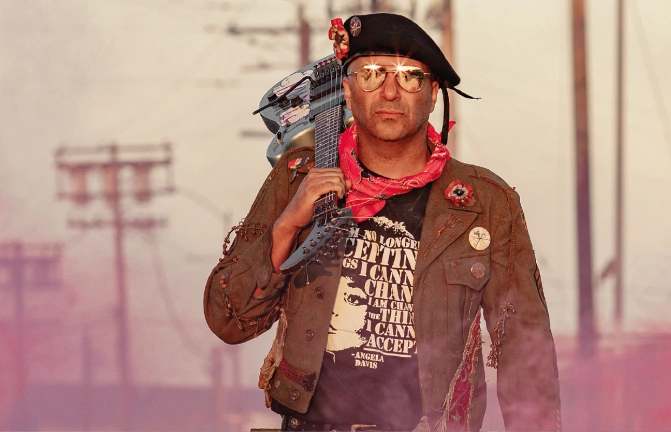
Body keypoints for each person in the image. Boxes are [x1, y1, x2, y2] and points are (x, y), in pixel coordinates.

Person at [204, 13, 560, 432]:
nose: (390, 91)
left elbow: (525, 352)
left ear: (433, 94)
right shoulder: (299, 178)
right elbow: (227, 320)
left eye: (410, 76)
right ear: (347, 91)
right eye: (371, 73)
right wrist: (287, 227)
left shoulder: (485, 203)